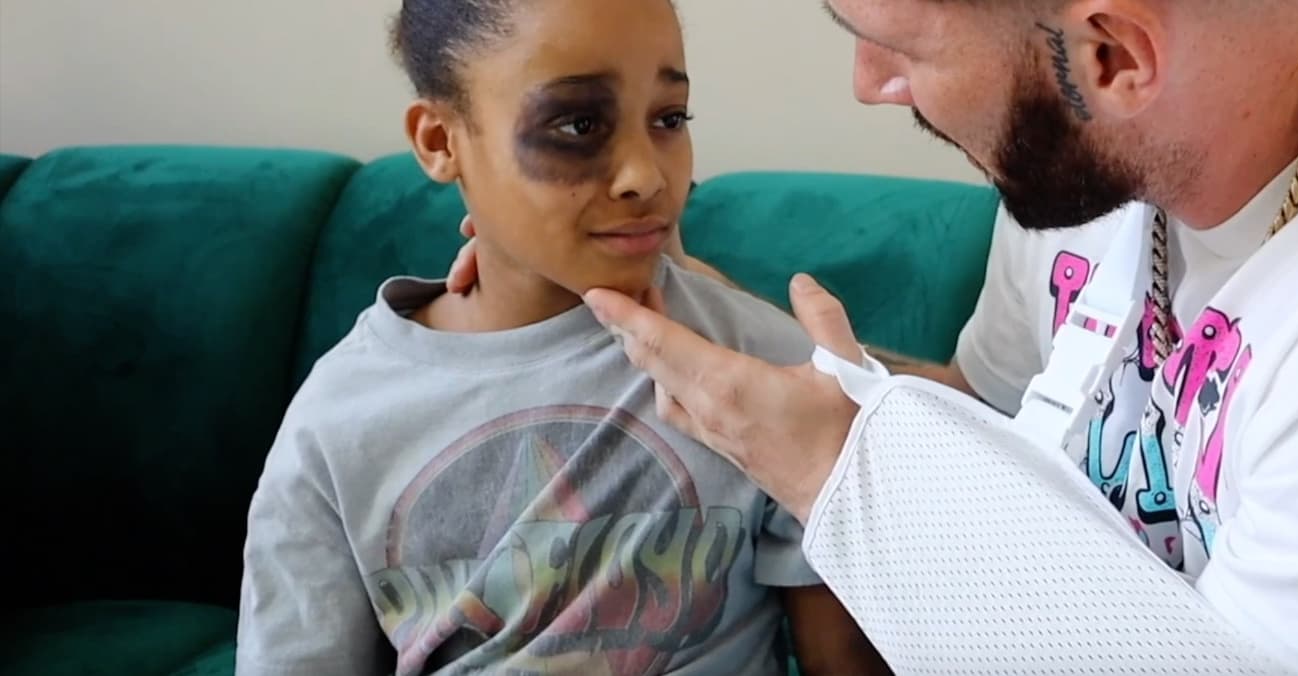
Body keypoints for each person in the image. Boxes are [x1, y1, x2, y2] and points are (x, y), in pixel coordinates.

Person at [463, 0, 1298, 673]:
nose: (871, 86)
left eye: (896, 46)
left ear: (1114, 54)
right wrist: (712, 326)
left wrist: (834, 474)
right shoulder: (1114, 161)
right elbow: (1010, 427)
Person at [234, 0, 888, 674]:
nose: (647, 176)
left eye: (669, 118)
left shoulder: (773, 377)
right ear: (441, 141)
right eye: (578, 125)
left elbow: (845, 661)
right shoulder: (340, 417)